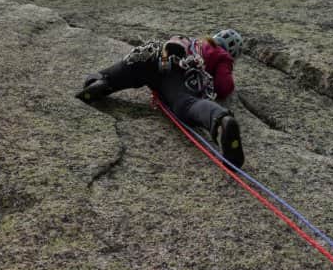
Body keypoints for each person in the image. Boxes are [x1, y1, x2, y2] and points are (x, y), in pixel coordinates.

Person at [77, 29, 246, 167]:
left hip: (157, 56)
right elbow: (224, 86)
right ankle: (221, 119)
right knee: (186, 104)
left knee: (129, 71)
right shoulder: (222, 56)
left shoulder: (196, 41)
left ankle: (101, 80)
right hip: (179, 73)